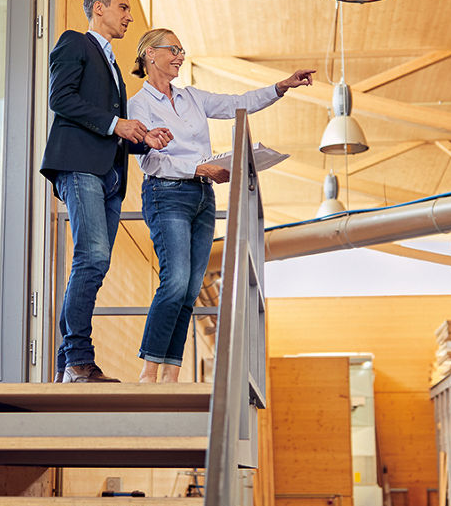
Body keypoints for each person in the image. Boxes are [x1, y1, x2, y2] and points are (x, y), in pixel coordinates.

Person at [127, 28, 315, 383]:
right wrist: (197, 166)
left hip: (202, 196)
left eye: (183, 50)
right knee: (175, 280)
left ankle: (171, 372)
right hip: (166, 194)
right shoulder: (138, 105)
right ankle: (148, 371)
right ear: (150, 54)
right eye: (174, 49)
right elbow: (148, 162)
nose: (181, 56)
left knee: (191, 286)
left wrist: (281, 87)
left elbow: (235, 103)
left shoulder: (191, 97)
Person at [40, 0, 173, 384]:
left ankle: (72, 363)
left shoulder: (114, 65)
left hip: (111, 175)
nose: (129, 16)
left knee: (96, 262)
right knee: (92, 257)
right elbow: (60, 98)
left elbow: (108, 121)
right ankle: (78, 361)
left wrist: (139, 137)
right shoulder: (74, 42)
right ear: (98, 8)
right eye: (123, 7)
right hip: (78, 167)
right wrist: (118, 123)